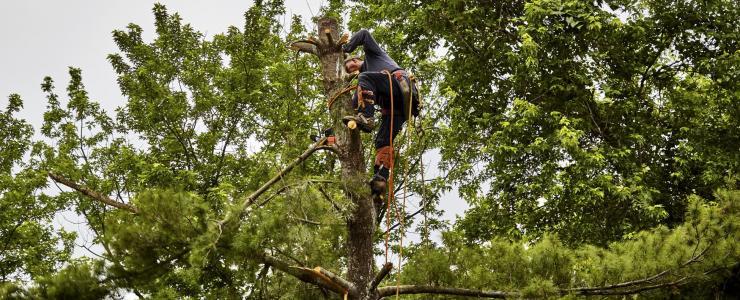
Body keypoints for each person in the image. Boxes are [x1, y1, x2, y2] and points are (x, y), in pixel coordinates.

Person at [340, 29, 419, 196]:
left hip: (399, 86)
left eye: (351, 65)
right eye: (349, 71)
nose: (352, 70)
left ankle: (367, 118)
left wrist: (345, 48)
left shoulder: (373, 57)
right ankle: (379, 182)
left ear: (356, 59)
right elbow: (356, 104)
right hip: (396, 109)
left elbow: (364, 34)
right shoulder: (366, 81)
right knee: (382, 141)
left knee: (365, 78)